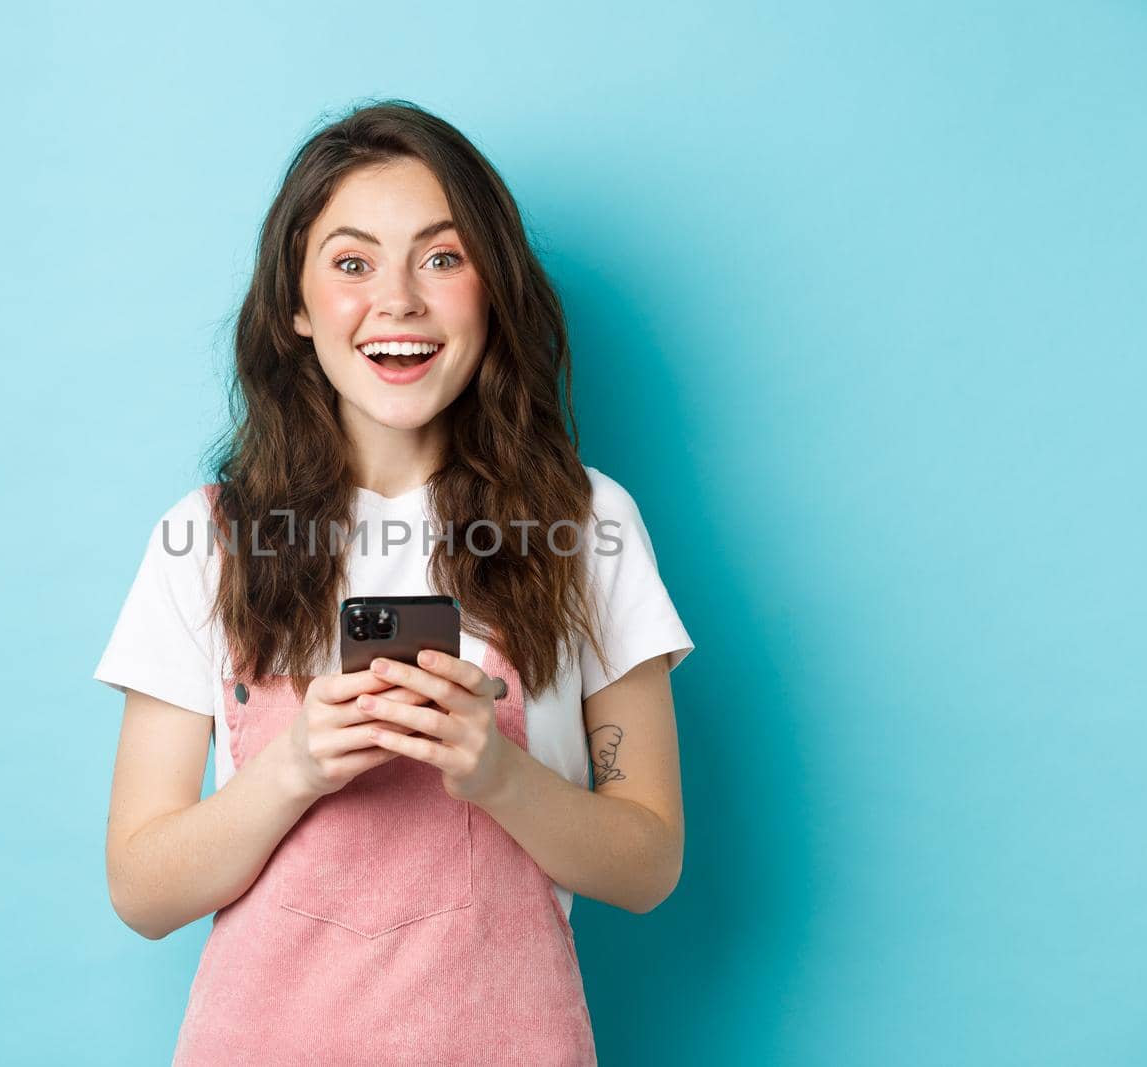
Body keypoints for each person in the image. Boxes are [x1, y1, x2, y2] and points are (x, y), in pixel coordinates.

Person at [92, 99, 695, 1066]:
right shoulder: (203, 541)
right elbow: (141, 887)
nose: (400, 300)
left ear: (492, 289)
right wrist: (295, 767)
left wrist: (495, 774)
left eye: (443, 258)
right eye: (352, 262)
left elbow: (648, 862)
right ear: (294, 305)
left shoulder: (590, 526)